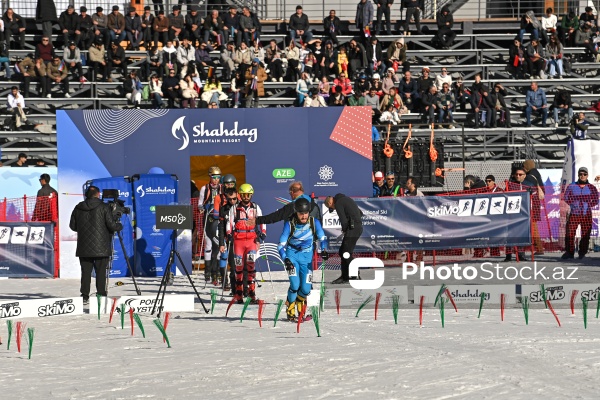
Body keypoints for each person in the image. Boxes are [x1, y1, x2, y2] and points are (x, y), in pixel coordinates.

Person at [69, 185, 123, 304]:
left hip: (84, 246)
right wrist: (119, 225)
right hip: (101, 246)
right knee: (100, 272)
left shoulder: (78, 207)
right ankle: (101, 295)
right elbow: (111, 226)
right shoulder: (104, 207)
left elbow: (72, 226)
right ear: (98, 195)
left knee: (86, 272)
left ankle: (84, 296)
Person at [279, 197, 328, 322]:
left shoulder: (314, 222)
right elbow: (280, 245)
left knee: (306, 289)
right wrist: (286, 259)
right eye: (301, 213)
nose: (304, 216)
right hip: (292, 255)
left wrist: (324, 250)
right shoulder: (290, 224)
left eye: (306, 213)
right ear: (296, 212)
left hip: (306, 258)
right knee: (295, 285)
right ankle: (290, 309)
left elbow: (322, 239)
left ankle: (300, 305)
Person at [225, 183, 266, 303]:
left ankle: (251, 294)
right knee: (238, 267)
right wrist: (229, 233)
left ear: (251, 195)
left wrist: (263, 232)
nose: (246, 197)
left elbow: (262, 220)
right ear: (240, 195)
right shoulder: (234, 208)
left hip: (251, 240)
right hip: (238, 240)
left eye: (248, 194)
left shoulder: (255, 207)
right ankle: (239, 294)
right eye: (243, 195)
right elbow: (230, 222)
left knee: (251, 265)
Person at [325, 194, 363, 284]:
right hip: (358, 228)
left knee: (344, 252)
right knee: (343, 251)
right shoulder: (347, 199)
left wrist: (345, 229)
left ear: (330, 202)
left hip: (352, 228)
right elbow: (360, 213)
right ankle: (347, 275)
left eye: (332, 208)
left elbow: (343, 220)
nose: (334, 209)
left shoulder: (338, 203)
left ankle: (350, 274)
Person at [563, 167, 599, 259]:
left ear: (587, 175)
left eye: (584, 174)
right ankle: (569, 252)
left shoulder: (591, 187)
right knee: (569, 233)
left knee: (585, 234)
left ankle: (582, 252)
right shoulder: (572, 186)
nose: (582, 176)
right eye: (580, 174)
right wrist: (573, 205)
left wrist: (589, 205)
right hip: (574, 213)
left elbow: (596, 199)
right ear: (578, 175)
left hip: (586, 214)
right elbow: (566, 197)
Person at [198, 166, 223, 280]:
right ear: (210, 177)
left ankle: (217, 270)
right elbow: (200, 203)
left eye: (218, 177)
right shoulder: (205, 188)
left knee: (217, 245)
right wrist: (202, 208)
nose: (216, 180)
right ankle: (207, 271)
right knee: (208, 244)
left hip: (219, 219)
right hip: (208, 218)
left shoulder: (222, 188)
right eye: (214, 177)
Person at [523, 159, 545, 255]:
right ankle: (537, 247)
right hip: (536, 203)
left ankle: (539, 248)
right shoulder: (537, 174)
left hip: (531, 204)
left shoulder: (529, 177)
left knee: (533, 226)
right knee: (533, 225)